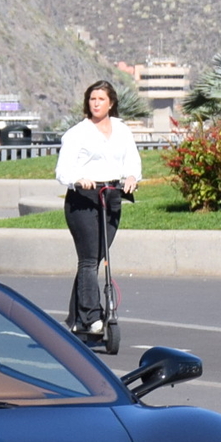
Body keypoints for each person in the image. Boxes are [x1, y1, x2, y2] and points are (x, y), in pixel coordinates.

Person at [56, 79, 144, 337]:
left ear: (111, 103)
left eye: (101, 99)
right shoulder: (77, 133)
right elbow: (63, 171)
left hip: (113, 196)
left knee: (96, 259)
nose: (96, 103)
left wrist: (131, 178)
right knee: (88, 259)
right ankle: (93, 317)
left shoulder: (122, 129)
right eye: (92, 99)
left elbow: (132, 161)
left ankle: (74, 319)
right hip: (83, 199)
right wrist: (77, 179)